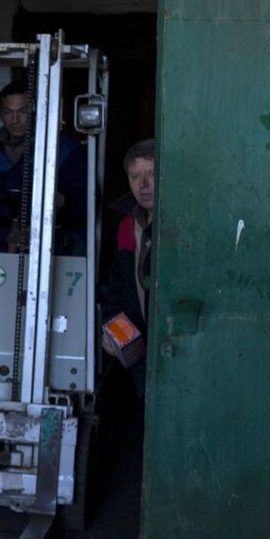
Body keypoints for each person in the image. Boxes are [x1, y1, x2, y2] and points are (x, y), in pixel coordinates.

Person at [0, 80, 88, 255]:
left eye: (23, 111)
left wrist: (63, 200)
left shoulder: (62, 150)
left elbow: (86, 199)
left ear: (35, 110)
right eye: (8, 112)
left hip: (47, 240)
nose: (15, 120)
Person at [102, 139, 155, 397]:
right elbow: (118, 287)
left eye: (152, 174)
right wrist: (111, 329)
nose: (143, 185)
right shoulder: (127, 225)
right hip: (140, 361)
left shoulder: (184, 223)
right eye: (135, 176)